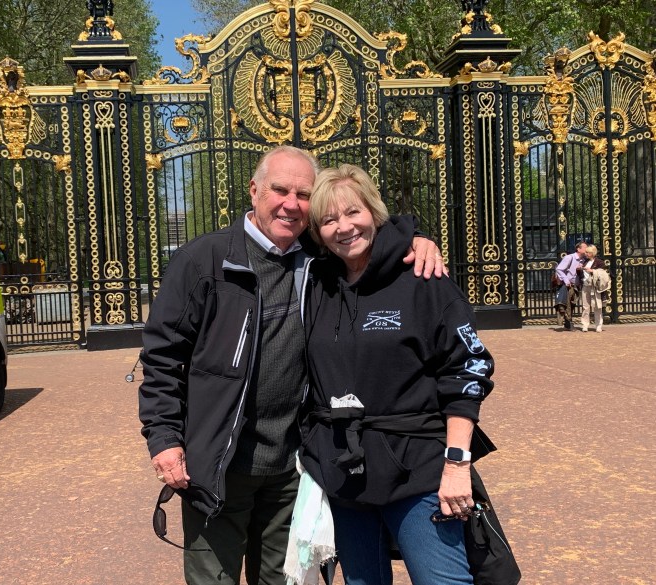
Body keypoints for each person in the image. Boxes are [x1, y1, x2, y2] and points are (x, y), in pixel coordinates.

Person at [138, 146, 446, 585]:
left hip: (293, 469)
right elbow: (163, 357)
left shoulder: (320, 261)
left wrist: (415, 241)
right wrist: (165, 438)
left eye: (303, 194)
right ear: (255, 190)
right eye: (280, 190)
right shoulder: (204, 260)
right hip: (218, 465)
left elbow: (366, 238)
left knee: (286, 581)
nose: (291, 203)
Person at [299, 164, 496, 585]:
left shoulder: (423, 276)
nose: (344, 227)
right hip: (343, 470)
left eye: (353, 212)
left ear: (374, 210)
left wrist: (457, 463)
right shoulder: (317, 282)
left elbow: (466, 370)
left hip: (417, 466)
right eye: (329, 219)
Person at [554, 240, 588, 330]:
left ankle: (567, 322)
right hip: (567, 285)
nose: (586, 249)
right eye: (585, 247)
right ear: (578, 249)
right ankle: (568, 322)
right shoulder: (569, 257)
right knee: (566, 304)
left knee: (572, 304)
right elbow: (559, 269)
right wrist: (566, 280)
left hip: (577, 285)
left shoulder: (584, 260)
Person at [578, 244, 607, 332]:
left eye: (587, 252)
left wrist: (592, 271)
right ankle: (585, 324)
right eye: (586, 252)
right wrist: (579, 269)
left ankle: (598, 325)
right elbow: (581, 274)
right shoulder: (585, 261)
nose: (586, 254)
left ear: (592, 253)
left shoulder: (599, 262)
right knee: (585, 306)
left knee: (597, 306)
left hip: (595, 287)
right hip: (586, 285)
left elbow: (603, 273)